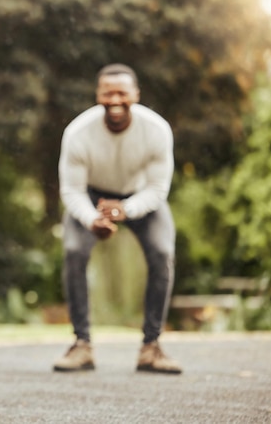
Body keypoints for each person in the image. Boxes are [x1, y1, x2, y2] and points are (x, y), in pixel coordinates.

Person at [54, 63, 181, 374]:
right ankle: (82, 345)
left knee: (163, 252)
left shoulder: (156, 130)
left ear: (135, 95)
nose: (114, 99)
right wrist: (91, 219)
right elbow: (71, 191)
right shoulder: (78, 132)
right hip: (90, 198)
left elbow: (157, 188)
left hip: (141, 199)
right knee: (74, 251)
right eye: (107, 92)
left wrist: (126, 209)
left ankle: (151, 347)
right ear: (98, 95)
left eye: (122, 93)